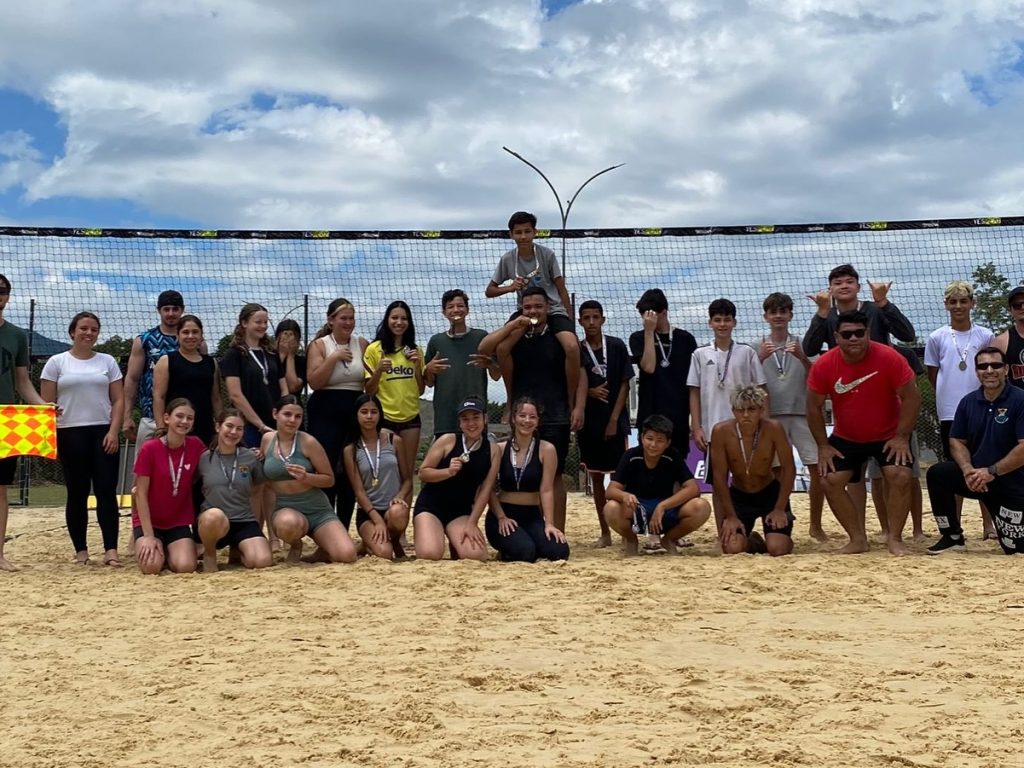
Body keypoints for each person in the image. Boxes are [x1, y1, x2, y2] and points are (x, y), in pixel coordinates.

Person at [801, 263, 923, 543]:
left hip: (890, 418)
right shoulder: (828, 323)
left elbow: (907, 335)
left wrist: (884, 302)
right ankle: (860, 537)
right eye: (837, 282)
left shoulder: (876, 314)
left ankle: (902, 534)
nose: (853, 337)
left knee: (901, 474)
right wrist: (823, 445)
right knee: (846, 479)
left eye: (848, 281)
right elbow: (810, 352)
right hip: (850, 424)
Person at [478, 286, 576, 531]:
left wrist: (575, 405)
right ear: (521, 308)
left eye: (538, 306)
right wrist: (515, 326)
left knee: (554, 476)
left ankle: (557, 532)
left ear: (548, 308)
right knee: (523, 471)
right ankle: (529, 528)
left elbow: (577, 364)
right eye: (528, 307)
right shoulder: (515, 334)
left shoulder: (558, 331)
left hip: (555, 412)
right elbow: (490, 349)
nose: (533, 311)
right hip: (524, 414)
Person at [40, 312, 124, 567]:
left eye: (94, 329)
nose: (89, 333)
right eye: (84, 328)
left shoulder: (107, 361)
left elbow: (118, 400)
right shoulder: (56, 362)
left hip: (103, 432)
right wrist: (51, 432)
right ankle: (81, 552)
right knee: (77, 493)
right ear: (72, 332)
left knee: (106, 491)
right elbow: (46, 404)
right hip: (70, 432)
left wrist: (113, 431)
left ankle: (111, 550)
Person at [926, 347, 1024, 554]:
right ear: (976, 371)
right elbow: (956, 440)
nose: (989, 370)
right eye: (983, 366)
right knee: (938, 474)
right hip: (977, 478)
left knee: (1015, 548)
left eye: (996, 365)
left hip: (1011, 481)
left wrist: (992, 471)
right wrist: (967, 470)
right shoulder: (968, 402)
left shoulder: (1020, 400)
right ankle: (952, 536)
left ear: (1006, 369)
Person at [484, 211, 580, 410]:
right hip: (526, 311)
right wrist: (510, 287)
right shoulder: (508, 259)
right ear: (511, 235)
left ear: (535, 232)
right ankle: (510, 400)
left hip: (553, 308)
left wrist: (569, 322)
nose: (523, 236)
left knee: (571, 347)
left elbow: (561, 289)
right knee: (502, 348)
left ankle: (571, 400)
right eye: (518, 232)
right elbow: (489, 291)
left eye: (527, 231)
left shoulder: (547, 254)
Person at [924, 281, 996, 539]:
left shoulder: (985, 335)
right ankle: (955, 526)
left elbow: (990, 370)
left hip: (981, 409)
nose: (958, 306)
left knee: (983, 466)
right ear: (946, 305)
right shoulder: (937, 337)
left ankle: (989, 525)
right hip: (949, 412)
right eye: (952, 301)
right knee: (953, 469)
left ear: (972, 304)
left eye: (963, 301)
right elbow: (934, 374)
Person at [688, 298, 766, 528]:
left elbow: (761, 389)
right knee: (718, 483)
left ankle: (745, 528)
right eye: (717, 320)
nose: (722, 324)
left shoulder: (746, 352)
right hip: (712, 430)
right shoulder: (700, 354)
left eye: (727, 320)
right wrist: (696, 426)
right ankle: (723, 532)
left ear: (734, 322)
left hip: (745, 428)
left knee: (747, 480)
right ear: (710, 323)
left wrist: (763, 423)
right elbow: (694, 392)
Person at [758, 292, 824, 541]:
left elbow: (818, 376)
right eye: (773, 312)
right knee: (777, 471)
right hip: (772, 415)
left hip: (802, 414)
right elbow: (747, 377)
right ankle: (783, 518)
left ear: (790, 315)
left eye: (783, 312)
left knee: (816, 468)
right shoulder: (756, 346)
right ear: (766, 316)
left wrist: (802, 358)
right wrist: (760, 358)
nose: (778, 316)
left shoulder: (804, 343)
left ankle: (815, 524)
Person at [262, 395, 357, 564]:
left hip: (317, 509)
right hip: (286, 507)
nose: (292, 420)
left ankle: (323, 549)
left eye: (298, 416)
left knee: (347, 555)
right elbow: (266, 482)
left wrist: (307, 477)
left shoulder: (308, 442)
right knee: (287, 523)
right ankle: (295, 545)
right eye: (287, 414)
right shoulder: (267, 439)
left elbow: (329, 479)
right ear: (275, 414)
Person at [602, 415, 712, 556]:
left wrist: (663, 506)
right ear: (642, 438)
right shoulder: (631, 456)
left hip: (667, 510)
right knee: (610, 508)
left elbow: (693, 488)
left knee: (701, 506)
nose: (653, 445)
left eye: (660, 440)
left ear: (667, 443)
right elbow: (610, 490)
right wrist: (625, 495)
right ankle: (631, 540)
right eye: (650, 438)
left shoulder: (673, 456)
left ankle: (669, 539)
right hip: (638, 509)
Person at [572, 299, 633, 547]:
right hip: (590, 424)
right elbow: (570, 383)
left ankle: (626, 532)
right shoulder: (577, 349)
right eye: (586, 318)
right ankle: (605, 533)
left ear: (603, 319)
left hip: (615, 421)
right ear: (580, 321)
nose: (591, 322)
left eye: (595, 317)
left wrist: (614, 420)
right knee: (596, 479)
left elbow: (625, 384)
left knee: (622, 479)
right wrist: (588, 392)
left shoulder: (616, 346)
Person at [413, 396, 501, 561]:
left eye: (476, 417)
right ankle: (435, 532)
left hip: (460, 511)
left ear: (485, 419)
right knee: (429, 554)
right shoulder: (448, 440)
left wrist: (472, 523)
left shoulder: (493, 450)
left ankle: (455, 539)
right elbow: (423, 473)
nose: (471, 423)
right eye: (465, 419)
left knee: (476, 555)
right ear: (460, 423)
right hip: (431, 506)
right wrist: (448, 472)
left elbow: (485, 490)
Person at [305, 298, 367, 528]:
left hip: (353, 409)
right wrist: (333, 358)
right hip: (325, 410)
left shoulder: (362, 343)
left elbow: (372, 379)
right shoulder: (320, 345)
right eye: (343, 318)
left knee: (350, 470)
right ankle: (327, 526)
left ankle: (343, 526)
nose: (348, 322)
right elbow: (314, 382)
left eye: (351, 318)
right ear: (331, 320)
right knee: (327, 468)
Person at [713, 386, 796, 556]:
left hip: (769, 493)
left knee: (777, 549)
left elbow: (789, 468)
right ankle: (754, 542)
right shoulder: (721, 432)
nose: (745, 415)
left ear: (761, 410)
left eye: (751, 409)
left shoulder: (774, 428)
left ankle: (778, 537)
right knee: (732, 549)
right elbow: (719, 477)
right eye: (740, 410)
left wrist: (780, 508)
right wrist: (730, 516)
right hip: (740, 495)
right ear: (733, 411)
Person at [0, 273, 46, 571]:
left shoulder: (16, 336)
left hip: (6, 420)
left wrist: (44, 406)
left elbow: (23, 383)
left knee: (1, 490)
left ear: (8, 296)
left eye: (3, 290)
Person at [487, 397, 570, 562]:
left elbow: (546, 490)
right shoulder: (499, 449)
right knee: (525, 552)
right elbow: (488, 488)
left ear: (538, 421)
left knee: (559, 551)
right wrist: (501, 517)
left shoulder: (546, 449)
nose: (527, 420)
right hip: (504, 514)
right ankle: (508, 548)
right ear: (513, 418)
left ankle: (526, 542)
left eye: (532, 417)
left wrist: (549, 523)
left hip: (532, 515)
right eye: (522, 415)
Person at [131, 398, 206, 574]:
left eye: (189, 418)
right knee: (151, 567)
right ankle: (148, 542)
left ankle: (170, 549)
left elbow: (216, 460)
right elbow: (140, 493)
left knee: (186, 567)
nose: (184, 421)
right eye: (179, 416)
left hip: (177, 521)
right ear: (167, 418)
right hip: (150, 522)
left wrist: (249, 454)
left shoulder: (196, 445)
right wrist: (148, 536)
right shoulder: (150, 448)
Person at [195, 408, 273, 572]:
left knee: (262, 560)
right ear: (218, 427)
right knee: (214, 516)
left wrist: (258, 525)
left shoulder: (251, 457)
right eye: (229, 426)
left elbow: (258, 491)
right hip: (214, 522)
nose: (233, 432)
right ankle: (210, 553)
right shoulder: (203, 458)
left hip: (243, 519)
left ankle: (238, 549)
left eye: (239, 428)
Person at [364, 300, 425, 504]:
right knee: (386, 472)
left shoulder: (415, 350)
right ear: (387, 320)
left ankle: (401, 520)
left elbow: (421, 388)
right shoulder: (374, 349)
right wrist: (379, 370)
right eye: (395, 318)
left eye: (404, 318)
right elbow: (369, 391)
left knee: (407, 473)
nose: (399, 322)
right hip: (385, 419)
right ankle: (382, 513)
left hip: (410, 419)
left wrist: (417, 365)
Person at [342, 394, 411, 560]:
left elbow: (408, 480)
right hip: (369, 513)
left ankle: (394, 540)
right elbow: (359, 491)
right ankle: (366, 544)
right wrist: (378, 521)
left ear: (380, 415)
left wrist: (400, 496)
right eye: (364, 412)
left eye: (374, 412)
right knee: (384, 553)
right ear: (356, 415)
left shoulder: (394, 440)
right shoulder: (351, 449)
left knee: (398, 513)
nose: (369, 416)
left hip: (392, 508)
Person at [424, 289, 500, 437]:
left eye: (460, 306)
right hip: (445, 417)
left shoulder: (481, 337)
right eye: (450, 307)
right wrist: (428, 369)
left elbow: (496, 375)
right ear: (444, 312)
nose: (456, 310)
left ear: (467, 310)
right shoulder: (436, 341)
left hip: (475, 415)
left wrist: (490, 363)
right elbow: (429, 382)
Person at [629, 288, 698, 449]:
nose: (646, 319)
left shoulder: (686, 339)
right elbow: (649, 367)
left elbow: (694, 383)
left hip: (678, 418)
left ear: (664, 312)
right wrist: (649, 331)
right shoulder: (638, 337)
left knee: (677, 460)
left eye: (651, 315)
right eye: (643, 315)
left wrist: (694, 420)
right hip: (649, 416)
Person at [122, 289, 187, 446]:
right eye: (166, 309)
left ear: (182, 310)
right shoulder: (144, 340)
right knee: (146, 461)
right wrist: (127, 416)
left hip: (185, 419)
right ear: (159, 310)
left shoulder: (193, 341)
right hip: (150, 418)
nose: (171, 313)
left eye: (175, 309)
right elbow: (132, 378)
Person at [221, 303, 286, 448]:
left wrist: (283, 416)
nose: (263, 326)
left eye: (265, 322)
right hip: (248, 425)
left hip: (275, 422)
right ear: (244, 323)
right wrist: (260, 425)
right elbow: (235, 395)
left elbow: (284, 389)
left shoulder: (272, 353)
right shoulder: (234, 354)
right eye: (258, 322)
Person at [153, 314, 220, 446]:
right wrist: (161, 428)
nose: (190, 336)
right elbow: (159, 397)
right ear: (177, 335)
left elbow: (216, 398)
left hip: (205, 427)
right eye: (185, 332)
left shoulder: (211, 363)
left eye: (195, 332)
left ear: (201, 335)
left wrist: (220, 425)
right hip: (176, 427)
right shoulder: (166, 361)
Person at [993, 285, 1024, 389]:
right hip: (1017, 399)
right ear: (1010, 310)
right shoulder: (1001, 342)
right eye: (1017, 305)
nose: (1022, 308)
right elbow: (994, 378)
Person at [274, 318, 306, 396]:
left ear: (298, 341)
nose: (288, 337)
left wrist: (290, 356)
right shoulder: (268, 358)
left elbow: (292, 387)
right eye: (284, 334)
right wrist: (281, 355)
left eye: (292, 335)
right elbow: (269, 383)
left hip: (293, 401)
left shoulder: (302, 362)